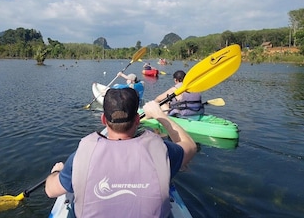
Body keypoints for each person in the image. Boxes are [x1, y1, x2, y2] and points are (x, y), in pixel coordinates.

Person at [45, 88, 197, 217]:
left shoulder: (82, 155)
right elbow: (190, 146)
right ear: (137, 120)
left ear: (104, 119)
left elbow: (51, 191)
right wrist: (161, 116)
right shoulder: (163, 151)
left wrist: (57, 172)